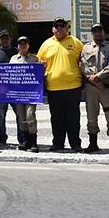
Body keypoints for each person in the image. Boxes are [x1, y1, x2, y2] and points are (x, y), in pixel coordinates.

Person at [37, 17, 85, 152]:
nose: (59, 28)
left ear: (67, 28)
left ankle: (75, 143)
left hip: (73, 87)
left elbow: (84, 62)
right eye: (56, 26)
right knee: (56, 118)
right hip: (53, 88)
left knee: (73, 118)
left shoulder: (76, 43)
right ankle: (57, 143)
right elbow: (38, 65)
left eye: (62, 26)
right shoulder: (46, 44)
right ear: (53, 29)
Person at [81, 23, 109, 154]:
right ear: (92, 34)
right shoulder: (86, 48)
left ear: (103, 32)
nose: (97, 34)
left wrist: (98, 76)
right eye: (95, 31)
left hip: (106, 88)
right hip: (92, 88)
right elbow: (83, 65)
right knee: (91, 117)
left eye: (100, 31)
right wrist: (94, 80)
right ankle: (93, 143)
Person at [0, 29, 22, 145]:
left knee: (19, 114)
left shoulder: (17, 51)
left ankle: (21, 139)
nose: (5, 40)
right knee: (0, 115)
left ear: (10, 39)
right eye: (3, 38)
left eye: (7, 38)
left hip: (15, 89)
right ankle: (2, 138)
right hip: (1, 90)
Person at [10, 36, 40, 153]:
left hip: (31, 93)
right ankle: (26, 141)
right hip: (18, 93)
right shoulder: (13, 59)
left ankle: (34, 142)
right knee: (21, 117)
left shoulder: (34, 59)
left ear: (28, 45)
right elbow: (8, 74)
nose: (23, 45)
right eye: (20, 43)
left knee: (30, 116)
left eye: (25, 43)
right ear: (18, 46)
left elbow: (39, 75)